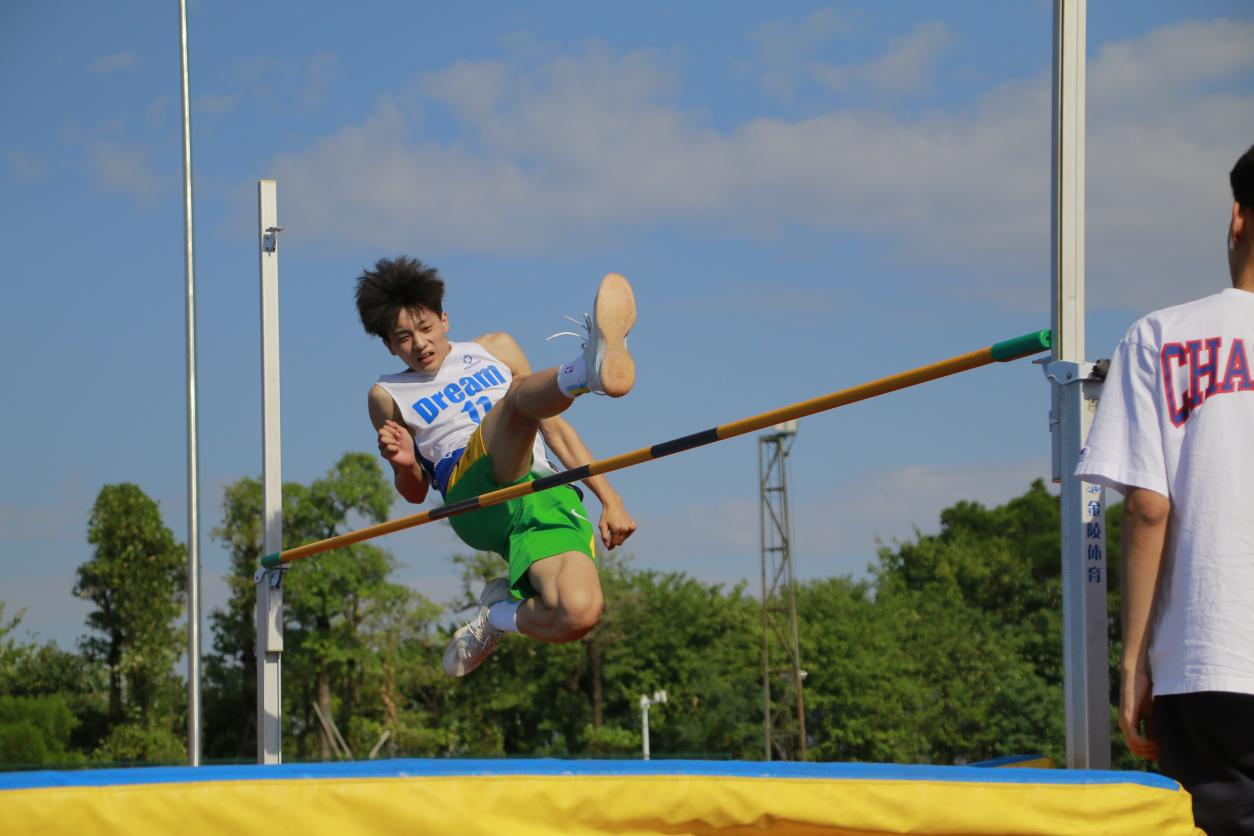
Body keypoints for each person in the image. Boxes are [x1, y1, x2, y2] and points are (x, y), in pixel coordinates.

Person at [1076, 143, 1254, 835]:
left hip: (1210, 659)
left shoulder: (1162, 335)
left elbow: (1149, 508)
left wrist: (1133, 664)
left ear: (1237, 216)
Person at [356, 257, 638, 677]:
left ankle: (497, 616)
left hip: (540, 493)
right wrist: (404, 463)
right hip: (473, 494)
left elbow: (556, 431)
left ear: (444, 319)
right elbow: (414, 492)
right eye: (404, 338)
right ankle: (586, 371)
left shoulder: (495, 348)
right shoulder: (387, 395)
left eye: (426, 328)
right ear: (389, 346)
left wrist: (610, 499)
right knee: (515, 401)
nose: (420, 344)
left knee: (578, 613)